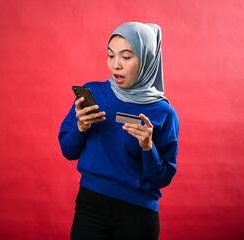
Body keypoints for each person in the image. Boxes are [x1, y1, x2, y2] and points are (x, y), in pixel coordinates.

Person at [58, 22, 179, 240]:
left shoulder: (164, 112)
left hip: (138, 215)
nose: (116, 65)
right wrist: (80, 128)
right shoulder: (92, 93)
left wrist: (148, 147)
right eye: (110, 55)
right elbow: (68, 151)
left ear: (146, 59)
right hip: (89, 206)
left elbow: (162, 179)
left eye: (126, 57)